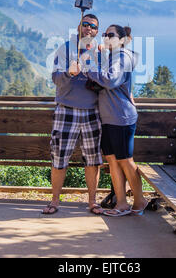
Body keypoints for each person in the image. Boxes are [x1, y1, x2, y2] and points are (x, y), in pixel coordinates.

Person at [80, 24, 148, 217]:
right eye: (105, 34)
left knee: (125, 160)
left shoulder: (122, 57)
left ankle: (140, 200)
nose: (106, 37)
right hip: (109, 117)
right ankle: (121, 203)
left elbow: (110, 80)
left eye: (110, 35)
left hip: (121, 117)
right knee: (112, 160)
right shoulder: (112, 56)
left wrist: (88, 69)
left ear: (122, 39)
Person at [42, 14, 104, 215]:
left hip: (92, 112)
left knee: (93, 159)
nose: (88, 29)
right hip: (66, 110)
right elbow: (55, 79)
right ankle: (54, 201)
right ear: (79, 26)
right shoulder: (65, 48)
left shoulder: (100, 52)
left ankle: (93, 201)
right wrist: (70, 73)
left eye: (92, 27)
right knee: (59, 157)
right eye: (85, 24)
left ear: (97, 31)